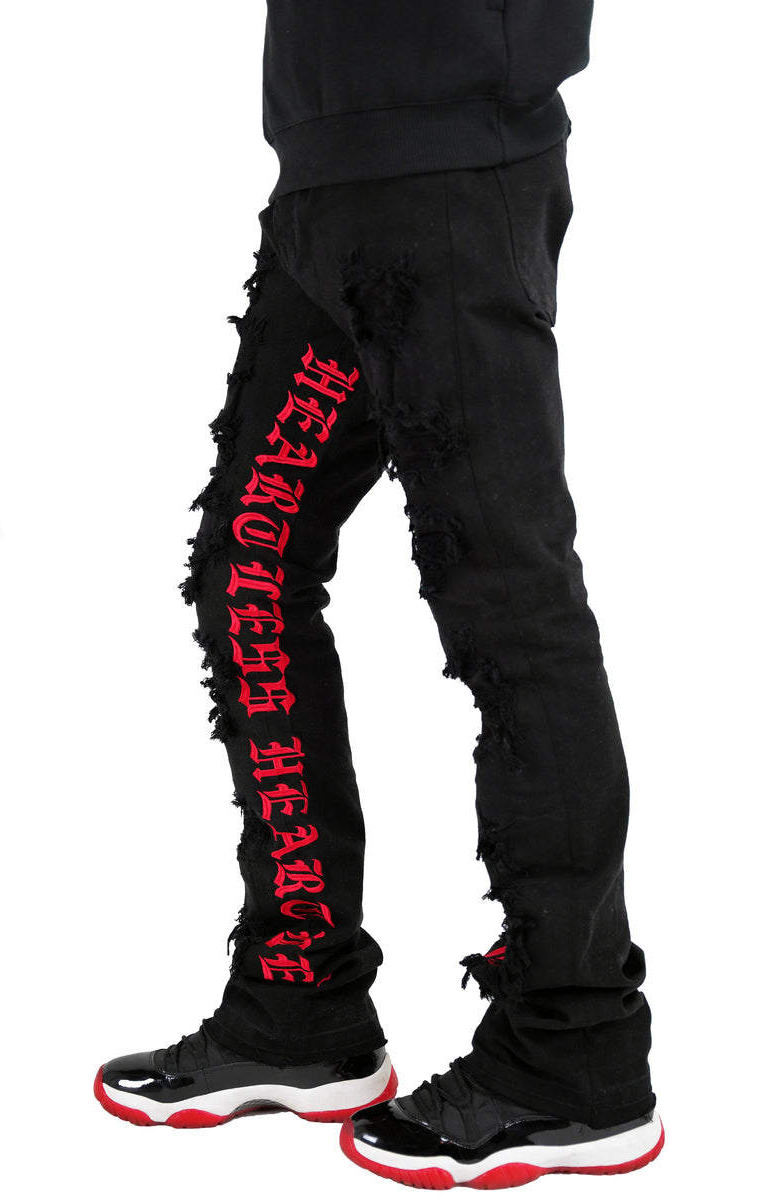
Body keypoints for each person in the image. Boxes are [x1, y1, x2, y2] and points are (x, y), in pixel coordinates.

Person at [94, 1, 664, 1188]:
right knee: (250, 571)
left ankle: (575, 1048)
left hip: (448, 172)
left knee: (505, 601)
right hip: (327, 179)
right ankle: (297, 997)